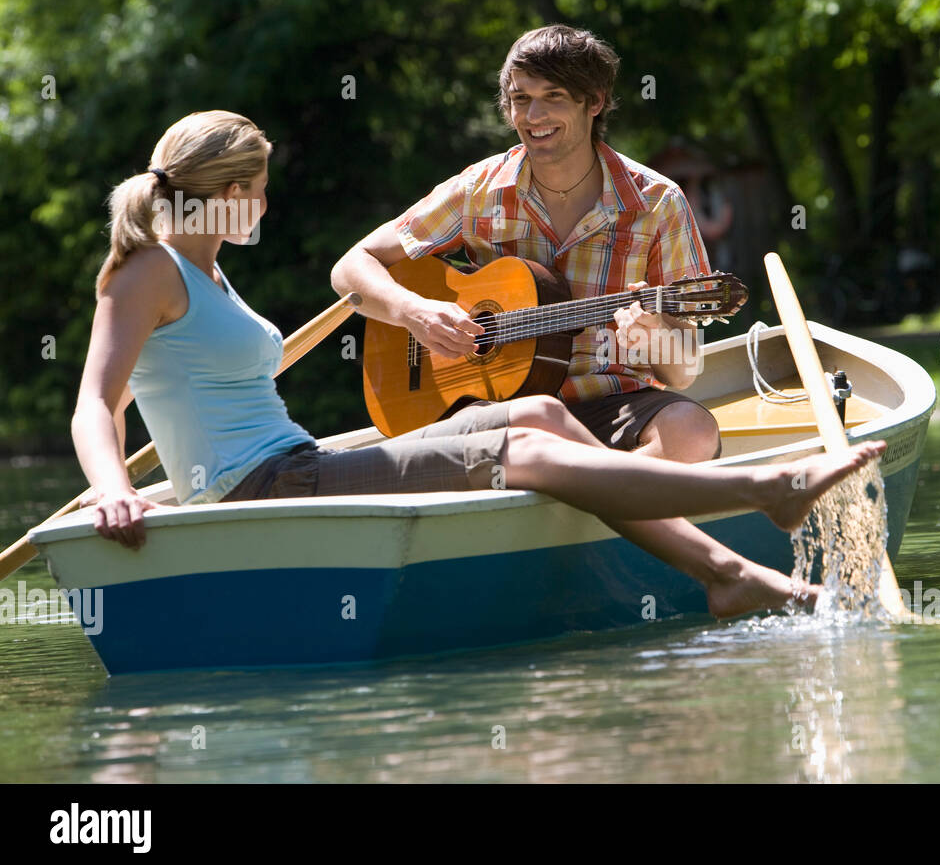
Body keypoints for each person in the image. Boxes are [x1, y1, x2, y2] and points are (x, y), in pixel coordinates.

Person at [72, 111, 887, 619]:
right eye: (256, 188)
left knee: (538, 414)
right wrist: (113, 489)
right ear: (225, 189)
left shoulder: (212, 272)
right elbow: (96, 406)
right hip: (271, 486)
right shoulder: (150, 270)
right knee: (520, 450)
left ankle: (720, 573)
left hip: (295, 463)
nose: (264, 204)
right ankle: (756, 503)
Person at [331, 25, 723, 463]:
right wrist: (415, 312)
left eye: (553, 96)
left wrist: (655, 338)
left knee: (692, 432)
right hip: (496, 410)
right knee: (529, 426)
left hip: (612, 404)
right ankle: (615, 483)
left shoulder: (657, 202)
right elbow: (350, 268)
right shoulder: (477, 189)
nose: (533, 115)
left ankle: (589, 477)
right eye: (521, 99)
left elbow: (684, 371)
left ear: (593, 102)